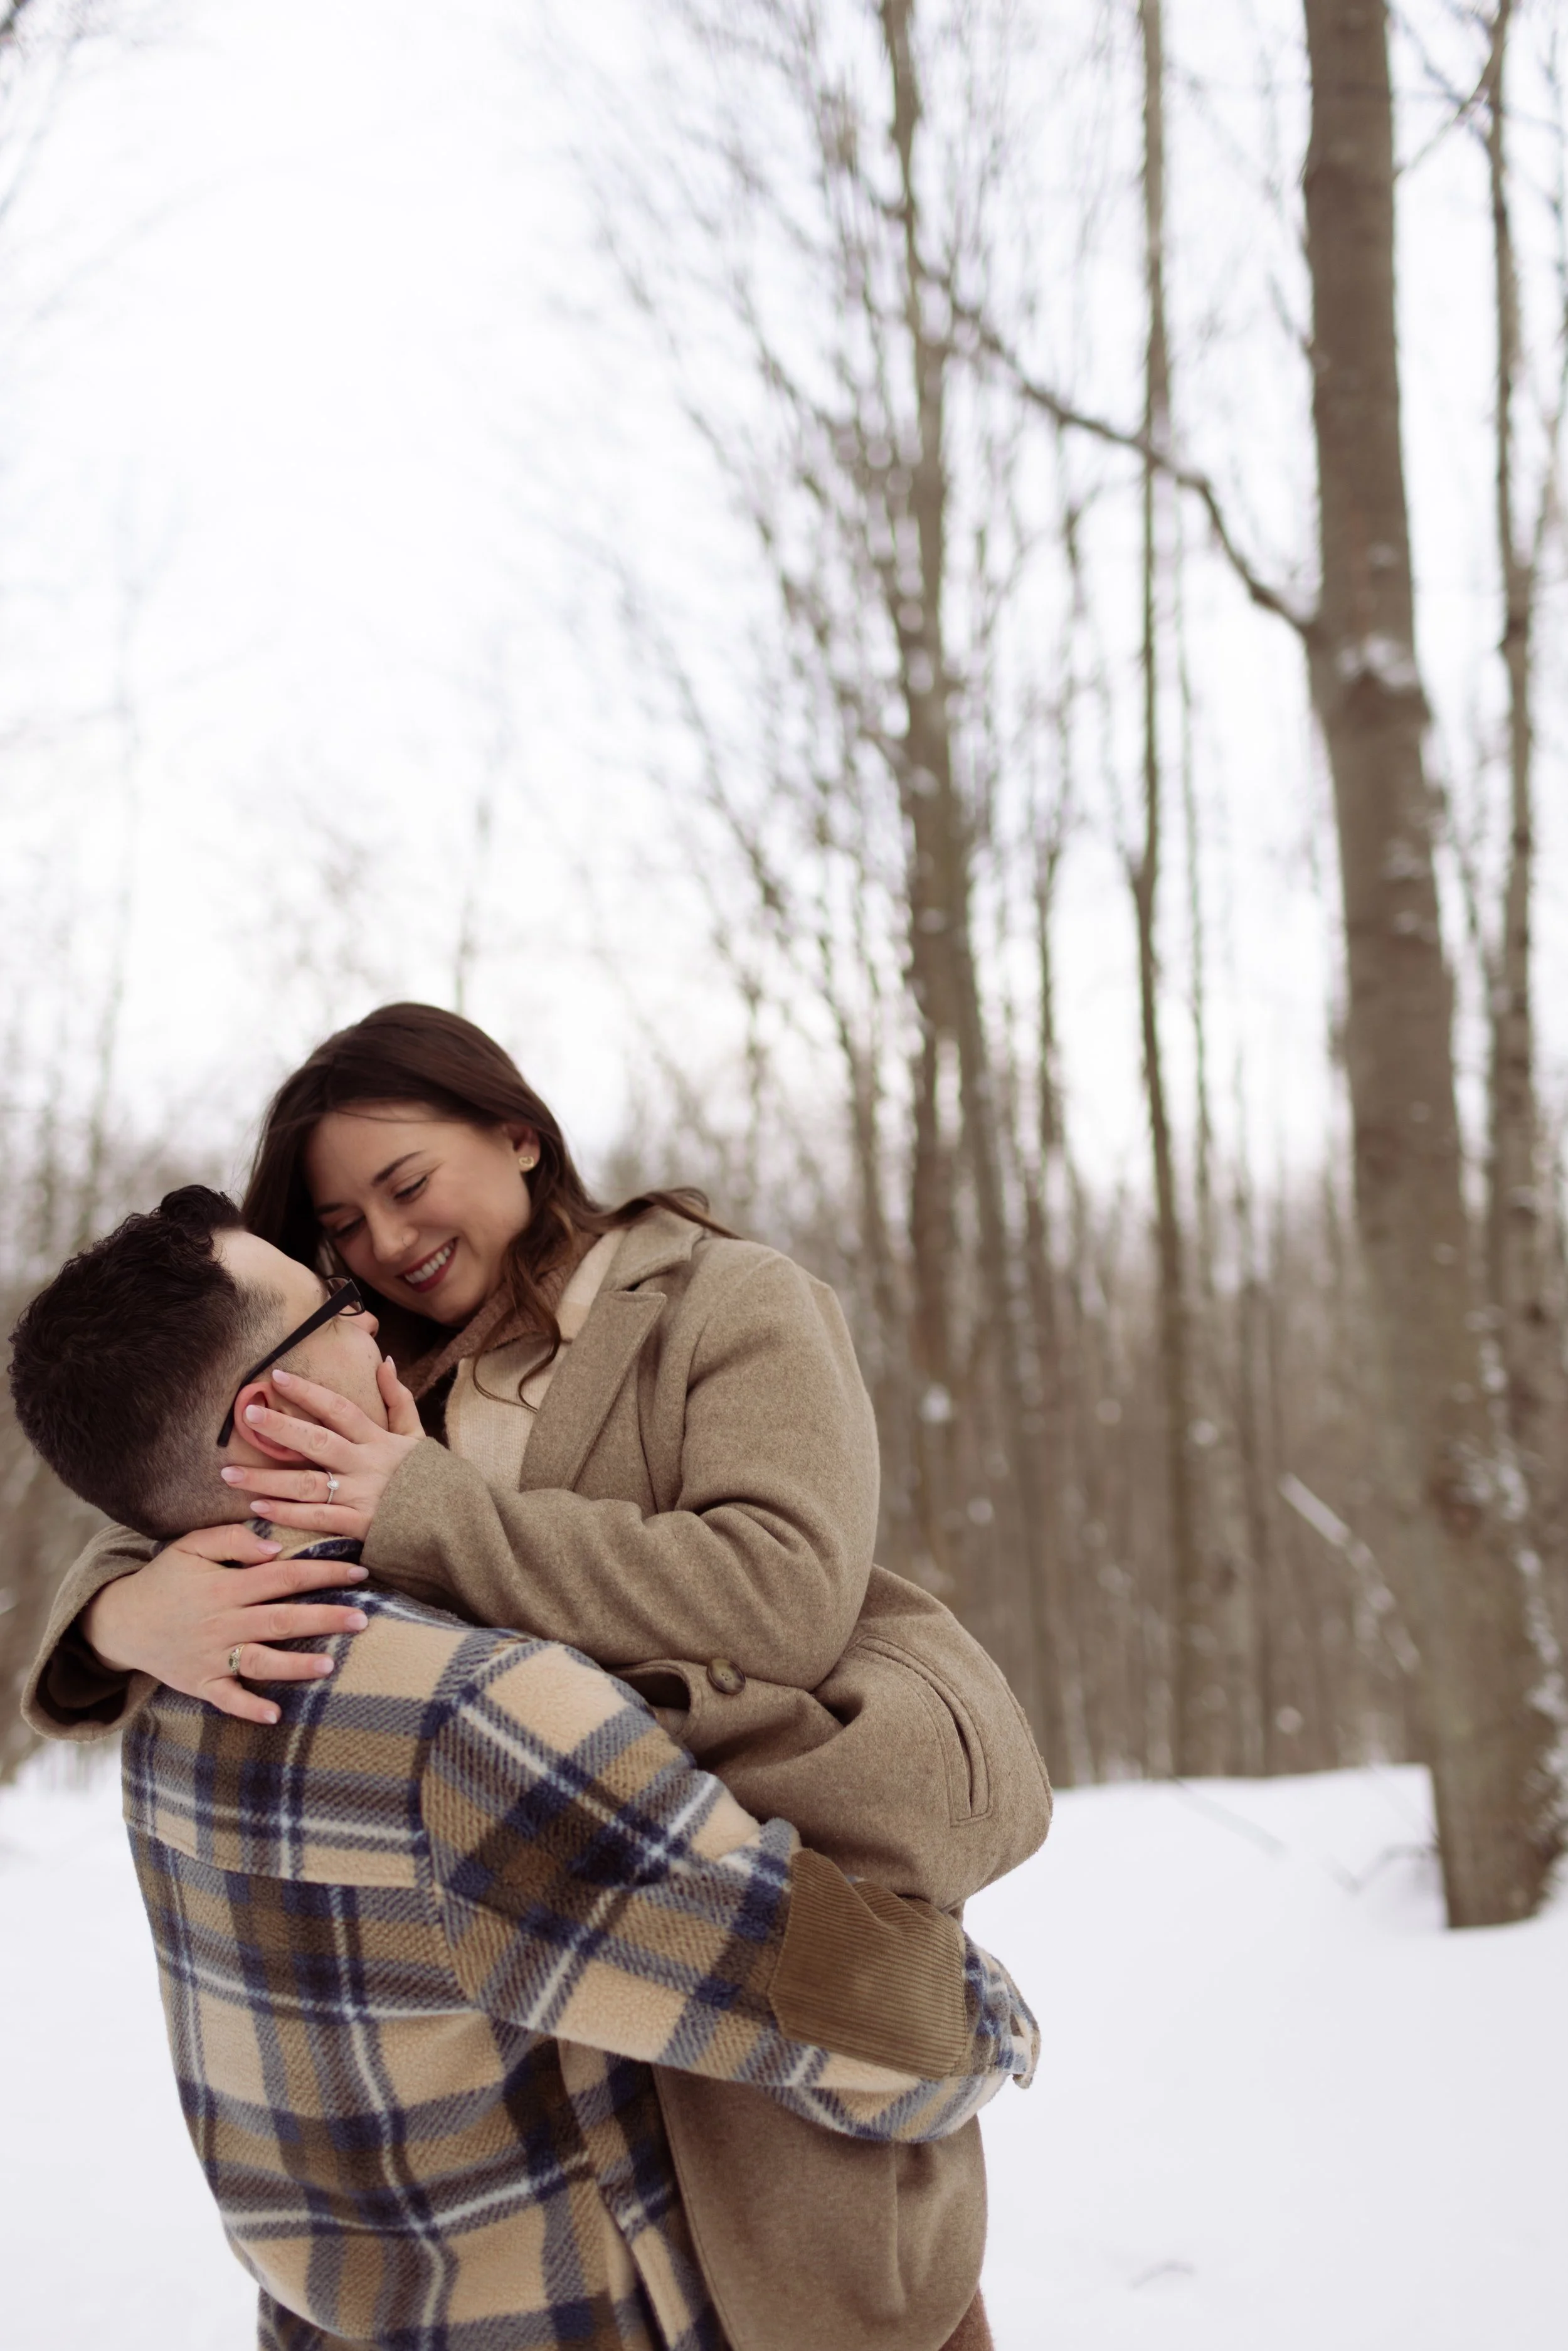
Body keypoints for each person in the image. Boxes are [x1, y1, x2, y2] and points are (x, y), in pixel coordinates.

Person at [23, 1003, 1052, 2348]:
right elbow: (171, 1450)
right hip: (526, 2052)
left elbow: (781, 1597)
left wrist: (424, 1506)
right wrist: (114, 1608)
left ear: (517, 1133)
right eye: (338, 1229)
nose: (383, 1244)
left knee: (827, 2289)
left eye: (404, 1184)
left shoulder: (721, 1305)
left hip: (750, 2027)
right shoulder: (368, 1350)